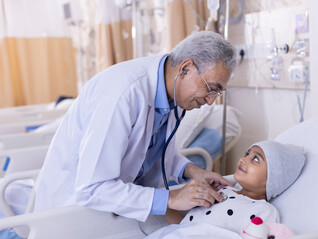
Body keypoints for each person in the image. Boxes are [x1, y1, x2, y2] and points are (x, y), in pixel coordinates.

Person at [33, 31, 237, 222]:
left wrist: (192, 171)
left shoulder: (173, 94)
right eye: (211, 89)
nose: (211, 101)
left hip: (116, 211)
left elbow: (151, 151)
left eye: (218, 94)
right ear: (185, 68)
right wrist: (171, 197)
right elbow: (92, 187)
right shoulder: (122, 95)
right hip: (72, 213)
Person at [144, 140, 305, 239]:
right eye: (246, 153)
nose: (243, 159)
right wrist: (164, 200)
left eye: (255, 159)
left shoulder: (264, 210)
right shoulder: (221, 191)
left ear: (274, 177)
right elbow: (184, 228)